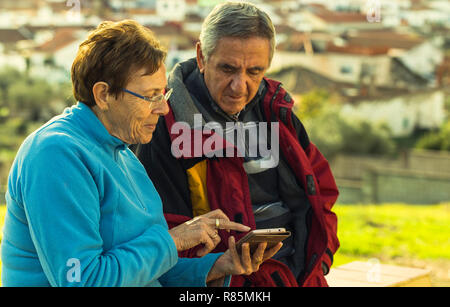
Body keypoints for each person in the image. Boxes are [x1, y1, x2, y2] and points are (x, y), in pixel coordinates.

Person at [0, 19, 282, 287]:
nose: (163, 109)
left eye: (164, 94)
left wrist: (217, 265)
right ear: (103, 95)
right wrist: (173, 241)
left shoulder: (123, 155)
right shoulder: (56, 155)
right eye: (151, 97)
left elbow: (149, 268)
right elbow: (82, 279)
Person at [134, 2, 339, 287]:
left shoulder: (276, 110)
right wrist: (226, 272)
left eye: (254, 71)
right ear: (202, 57)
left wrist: (323, 257)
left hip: (300, 276)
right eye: (227, 69)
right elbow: (164, 232)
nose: (239, 86)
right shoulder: (164, 126)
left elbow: (321, 192)